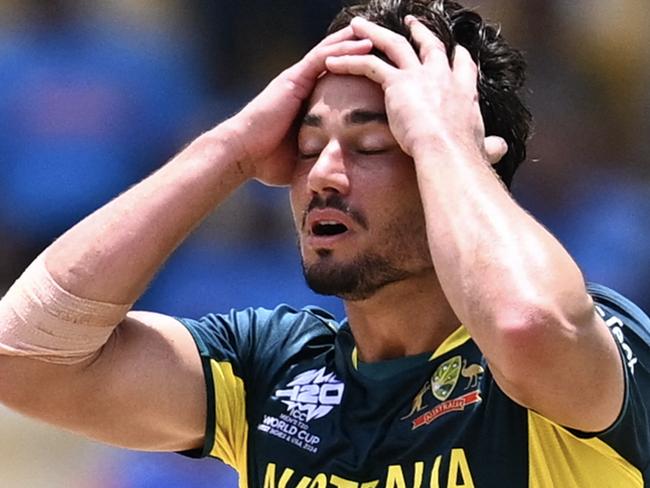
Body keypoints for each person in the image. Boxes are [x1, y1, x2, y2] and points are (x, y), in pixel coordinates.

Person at [0, 0, 648, 486]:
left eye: (372, 145)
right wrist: (227, 150)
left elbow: (525, 321)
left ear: (459, 163)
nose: (325, 175)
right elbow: (22, 357)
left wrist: (442, 140)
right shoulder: (270, 369)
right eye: (307, 147)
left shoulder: (588, 349)